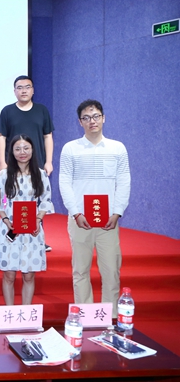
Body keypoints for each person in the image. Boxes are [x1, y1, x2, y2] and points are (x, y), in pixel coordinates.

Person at [59, 99, 130, 314]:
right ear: (80, 122)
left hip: (108, 219)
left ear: (104, 118)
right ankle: (84, 315)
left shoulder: (117, 148)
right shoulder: (70, 149)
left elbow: (124, 181)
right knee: (80, 271)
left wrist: (117, 212)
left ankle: (111, 317)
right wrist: (75, 212)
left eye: (96, 116)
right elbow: (64, 181)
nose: (92, 121)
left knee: (111, 271)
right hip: (80, 219)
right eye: (87, 117)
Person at [0, 75, 54, 252]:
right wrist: (2, 163)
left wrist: (49, 161)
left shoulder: (41, 110)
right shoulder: (7, 111)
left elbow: (47, 136)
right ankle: (11, 238)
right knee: (14, 201)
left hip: (36, 164)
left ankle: (37, 238)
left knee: (36, 200)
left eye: (27, 87)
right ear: (14, 91)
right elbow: (1, 137)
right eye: (19, 87)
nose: (23, 91)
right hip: (13, 166)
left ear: (33, 90)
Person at [0, 135, 54, 306]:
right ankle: (10, 311)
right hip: (9, 229)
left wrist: (38, 219)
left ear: (32, 150)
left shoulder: (40, 174)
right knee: (9, 275)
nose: (22, 152)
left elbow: (46, 200)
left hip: (32, 230)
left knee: (29, 275)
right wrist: (6, 220)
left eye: (26, 148)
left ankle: (26, 312)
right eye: (18, 149)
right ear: (12, 152)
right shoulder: (4, 174)